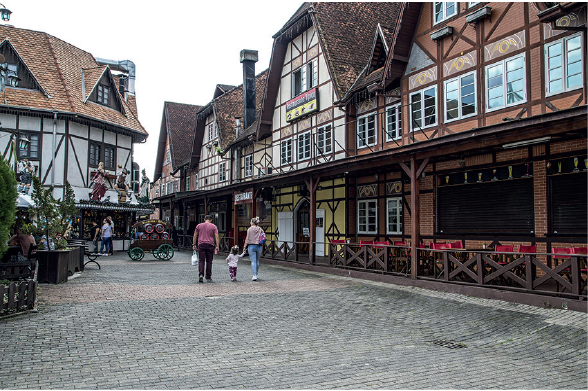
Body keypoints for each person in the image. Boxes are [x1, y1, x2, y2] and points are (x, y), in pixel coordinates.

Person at [192, 215, 219, 283]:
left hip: (201, 244)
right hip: (210, 244)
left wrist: (194, 244)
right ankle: (208, 276)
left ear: (204, 219)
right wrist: (217, 245)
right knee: (209, 261)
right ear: (211, 220)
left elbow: (195, 235)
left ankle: (201, 274)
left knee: (201, 260)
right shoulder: (213, 226)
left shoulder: (199, 226)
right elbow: (217, 236)